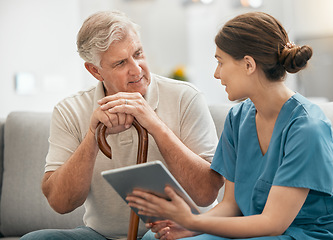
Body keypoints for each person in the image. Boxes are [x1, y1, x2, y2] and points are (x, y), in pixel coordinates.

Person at [127, 12, 333, 240]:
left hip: (304, 234)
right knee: (151, 238)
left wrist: (192, 220)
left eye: (220, 62)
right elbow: (231, 206)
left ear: (248, 64)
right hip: (256, 230)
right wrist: (191, 228)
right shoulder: (238, 118)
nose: (216, 74)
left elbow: (273, 223)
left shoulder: (307, 128)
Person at [20, 10, 223, 240]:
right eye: (120, 63)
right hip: (102, 235)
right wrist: (92, 137)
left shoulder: (186, 97)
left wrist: (154, 124)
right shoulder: (69, 110)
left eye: (138, 53)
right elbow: (60, 202)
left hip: (180, 231)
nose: (137, 69)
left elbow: (206, 193)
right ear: (95, 71)